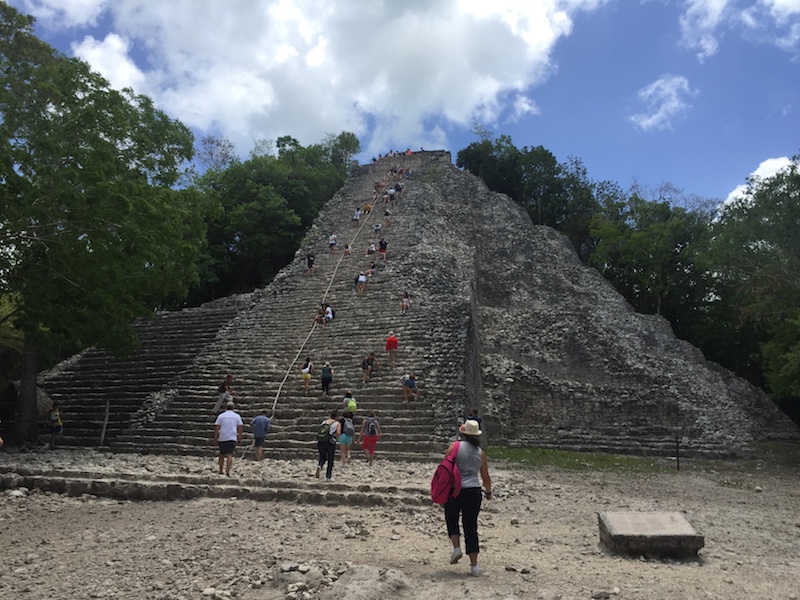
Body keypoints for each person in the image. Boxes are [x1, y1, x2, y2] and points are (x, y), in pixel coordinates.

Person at [444, 419, 492, 577]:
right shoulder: (480, 453)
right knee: (471, 526)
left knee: (451, 518)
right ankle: (474, 566)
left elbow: (445, 466)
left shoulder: (454, 447)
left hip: (455, 489)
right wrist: (488, 492)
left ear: (463, 433)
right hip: (474, 490)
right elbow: (485, 476)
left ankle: (456, 548)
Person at [214, 401, 243, 476]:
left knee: (222, 454)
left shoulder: (221, 416)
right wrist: (240, 438)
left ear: (226, 407)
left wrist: (215, 437)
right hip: (232, 437)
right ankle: (228, 471)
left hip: (222, 437)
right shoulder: (237, 416)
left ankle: (220, 470)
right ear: (233, 408)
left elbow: (217, 427)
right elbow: (240, 428)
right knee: (229, 454)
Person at [316, 410, 341, 481]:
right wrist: (337, 439)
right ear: (336, 416)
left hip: (321, 441)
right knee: (330, 459)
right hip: (330, 442)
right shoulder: (337, 423)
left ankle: (320, 466)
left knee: (322, 457)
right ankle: (328, 476)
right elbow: (338, 433)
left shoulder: (324, 422)